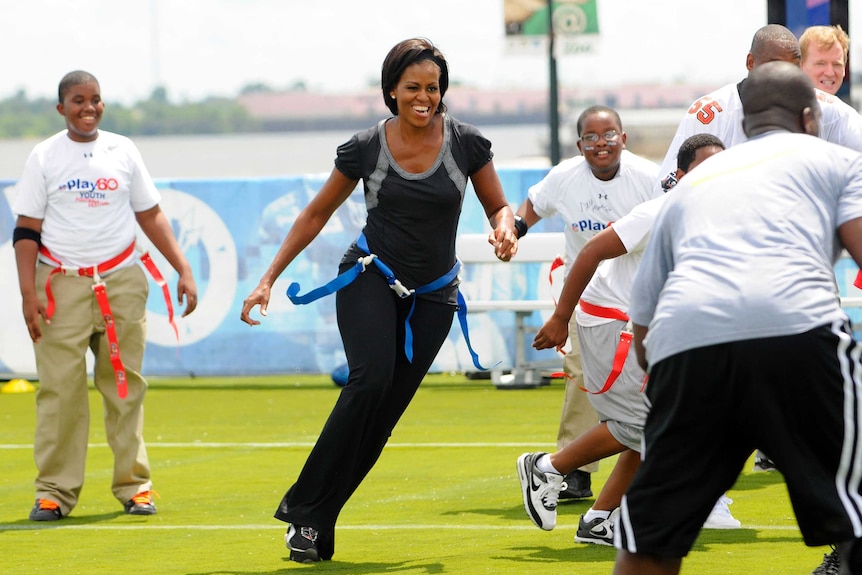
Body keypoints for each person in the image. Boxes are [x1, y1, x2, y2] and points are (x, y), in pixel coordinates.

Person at [239, 38, 517, 564]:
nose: (424, 97)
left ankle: (317, 520)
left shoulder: (467, 143)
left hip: (434, 297)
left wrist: (505, 230)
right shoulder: (365, 147)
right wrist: (268, 279)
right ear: (392, 90)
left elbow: (498, 205)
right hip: (370, 276)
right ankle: (305, 512)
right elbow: (315, 214)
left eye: (433, 88)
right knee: (370, 382)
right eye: (413, 87)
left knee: (383, 416)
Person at [615, 61, 862, 575]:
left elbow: (644, 311)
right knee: (857, 517)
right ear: (810, 116)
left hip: (686, 345)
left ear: (745, 123)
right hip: (799, 332)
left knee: (650, 544)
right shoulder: (838, 161)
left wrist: (668, 384)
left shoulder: (691, 186)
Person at [657, 23, 862, 475]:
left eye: (791, 69)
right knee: (715, 390)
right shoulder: (711, 111)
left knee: (820, 397)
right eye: (772, 68)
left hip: (799, 274)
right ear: (750, 65)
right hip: (723, 272)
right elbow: (669, 188)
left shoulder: (833, 114)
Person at [517, 134, 736, 547]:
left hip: (650, 327)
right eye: (703, 169)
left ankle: (600, 519)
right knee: (648, 422)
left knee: (657, 420)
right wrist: (561, 317)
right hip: (608, 321)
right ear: (681, 175)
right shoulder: (659, 212)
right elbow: (590, 253)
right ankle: (548, 467)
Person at [12, 70, 198, 521]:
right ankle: (54, 492)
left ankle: (136, 487)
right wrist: (27, 295)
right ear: (61, 108)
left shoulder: (123, 150)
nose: (88, 107)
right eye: (78, 100)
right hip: (59, 284)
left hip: (121, 281)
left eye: (95, 99)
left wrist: (184, 269)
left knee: (124, 387)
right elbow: (26, 230)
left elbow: (150, 214)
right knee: (59, 392)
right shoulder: (44, 156)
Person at [515, 105, 662, 500]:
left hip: (641, 297)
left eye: (609, 134)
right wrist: (512, 229)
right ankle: (572, 469)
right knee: (582, 379)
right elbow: (533, 207)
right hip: (588, 299)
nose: (602, 144)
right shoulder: (564, 177)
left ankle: (630, 483)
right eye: (592, 137)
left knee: (652, 389)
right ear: (579, 144)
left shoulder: (649, 178)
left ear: (623, 138)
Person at [800, 24, 849, 96]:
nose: (830, 73)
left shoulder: (844, 107)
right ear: (800, 66)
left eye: (836, 64)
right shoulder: (785, 105)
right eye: (820, 64)